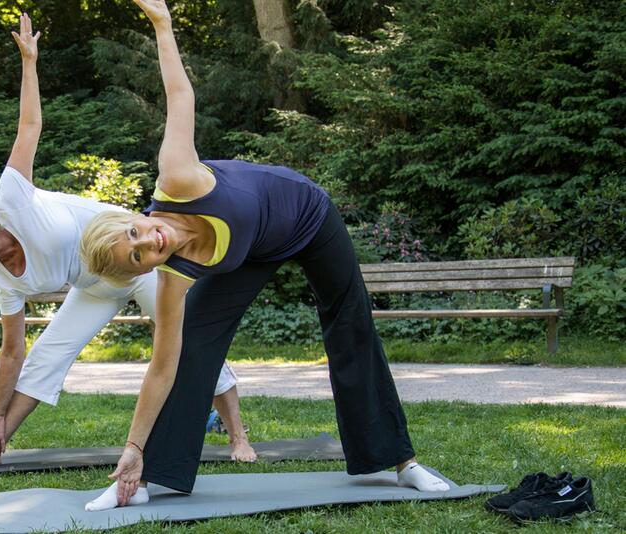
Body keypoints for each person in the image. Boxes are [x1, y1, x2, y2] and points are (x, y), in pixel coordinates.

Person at [79, 0, 451, 512]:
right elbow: (160, 369)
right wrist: (132, 448)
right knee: (191, 347)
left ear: (136, 215)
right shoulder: (173, 278)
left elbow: (178, 93)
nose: (152, 242)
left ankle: (401, 463)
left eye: (136, 233)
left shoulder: (177, 179)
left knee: (349, 322)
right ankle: (144, 478)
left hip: (306, 214)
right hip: (251, 250)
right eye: (140, 256)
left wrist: (163, 24)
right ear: (144, 269)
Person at [0, 12, 256, 470]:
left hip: (136, 259)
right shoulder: (5, 280)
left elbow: (29, 128)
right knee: (46, 356)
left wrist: (29, 64)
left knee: (180, 336)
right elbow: (12, 350)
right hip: (96, 284)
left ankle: (238, 435)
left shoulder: (11, 198)